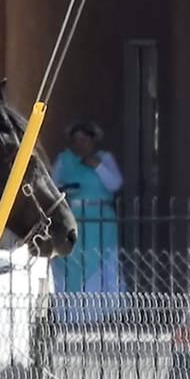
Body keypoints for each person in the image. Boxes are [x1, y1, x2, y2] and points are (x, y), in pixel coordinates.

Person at [50, 121, 125, 322]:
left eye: (85, 140)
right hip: (74, 216)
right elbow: (52, 184)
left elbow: (115, 183)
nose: (80, 145)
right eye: (76, 141)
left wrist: (97, 166)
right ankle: (72, 314)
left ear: (93, 142)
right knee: (72, 264)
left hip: (100, 219)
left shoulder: (104, 159)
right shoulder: (65, 159)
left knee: (100, 262)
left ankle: (100, 313)